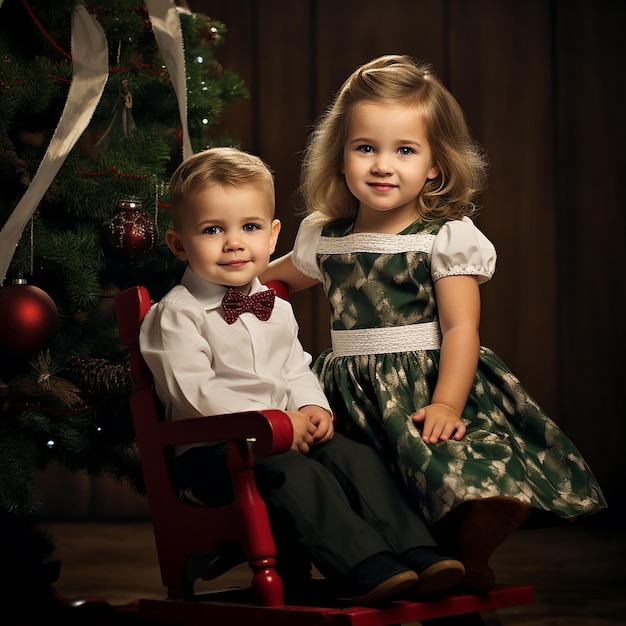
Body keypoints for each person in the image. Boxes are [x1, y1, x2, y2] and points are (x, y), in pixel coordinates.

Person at [259, 54, 607, 592]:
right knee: (362, 481)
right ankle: (397, 561)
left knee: (453, 463)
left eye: (404, 150)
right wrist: (222, 287)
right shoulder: (324, 235)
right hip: (347, 390)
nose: (382, 165)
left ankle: (471, 545)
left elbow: (462, 328)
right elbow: (268, 280)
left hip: (425, 378)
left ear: (434, 165)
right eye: (365, 148)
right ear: (341, 157)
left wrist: (446, 401)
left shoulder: (442, 237)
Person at [138, 146, 466, 605]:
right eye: (213, 230)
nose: (235, 242)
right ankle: (362, 567)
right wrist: (270, 424)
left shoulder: (276, 308)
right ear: (179, 244)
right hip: (215, 454)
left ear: (273, 237)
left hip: (282, 435)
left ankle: (417, 552)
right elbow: (195, 395)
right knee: (293, 473)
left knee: (355, 456)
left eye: (250, 227)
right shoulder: (176, 315)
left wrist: (312, 407)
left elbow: (296, 368)